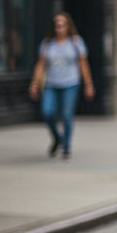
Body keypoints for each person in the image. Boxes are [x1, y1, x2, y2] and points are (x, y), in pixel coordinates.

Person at [28, 12, 95, 159]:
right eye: (57, 25)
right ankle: (57, 137)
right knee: (47, 112)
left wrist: (88, 84)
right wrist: (34, 83)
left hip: (71, 83)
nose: (60, 28)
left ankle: (66, 146)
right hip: (51, 84)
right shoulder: (47, 44)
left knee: (66, 115)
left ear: (68, 26)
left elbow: (83, 64)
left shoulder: (76, 43)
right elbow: (41, 65)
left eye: (62, 25)